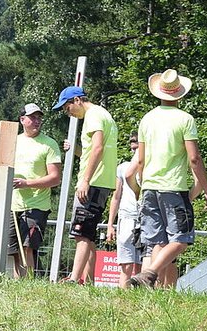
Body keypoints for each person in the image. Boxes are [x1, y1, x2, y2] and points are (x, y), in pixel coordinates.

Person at [127, 68, 207, 289]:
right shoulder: (185, 119)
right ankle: (149, 273)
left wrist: (141, 186)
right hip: (173, 187)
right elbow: (194, 158)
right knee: (181, 239)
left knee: (158, 241)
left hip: (149, 187)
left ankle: (153, 288)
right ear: (179, 93)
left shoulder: (147, 119)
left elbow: (140, 160)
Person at [53, 85, 120, 284]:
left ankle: (74, 279)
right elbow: (93, 152)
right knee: (88, 234)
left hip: (93, 183)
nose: (69, 113)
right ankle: (88, 281)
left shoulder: (93, 116)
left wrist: (85, 180)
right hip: (102, 181)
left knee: (81, 233)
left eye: (67, 108)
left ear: (77, 100)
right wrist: (75, 149)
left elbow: (98, 148)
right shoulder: (104, 114)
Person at [8, 102, 62, 278]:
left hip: (36, 205)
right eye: (32, 117)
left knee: (27, 247)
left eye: (39, 118)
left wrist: (27, 183)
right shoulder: (13, 141)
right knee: (15, 251)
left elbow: (55, 178)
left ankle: (29, 284)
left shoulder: (49, 144)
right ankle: (19, 284)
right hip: (13, 205)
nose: (37, 121)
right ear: (22, 120)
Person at [106, 133, 144, 285]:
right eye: (132, 145)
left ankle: (141, 294)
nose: (134, 148)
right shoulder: (122, 168)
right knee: (126, 264)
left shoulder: (150, 166)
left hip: (145, 218)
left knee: (143, 264)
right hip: (127, 217)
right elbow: (116, 197)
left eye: (137, 145)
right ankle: (123, 293)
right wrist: (110, 224)